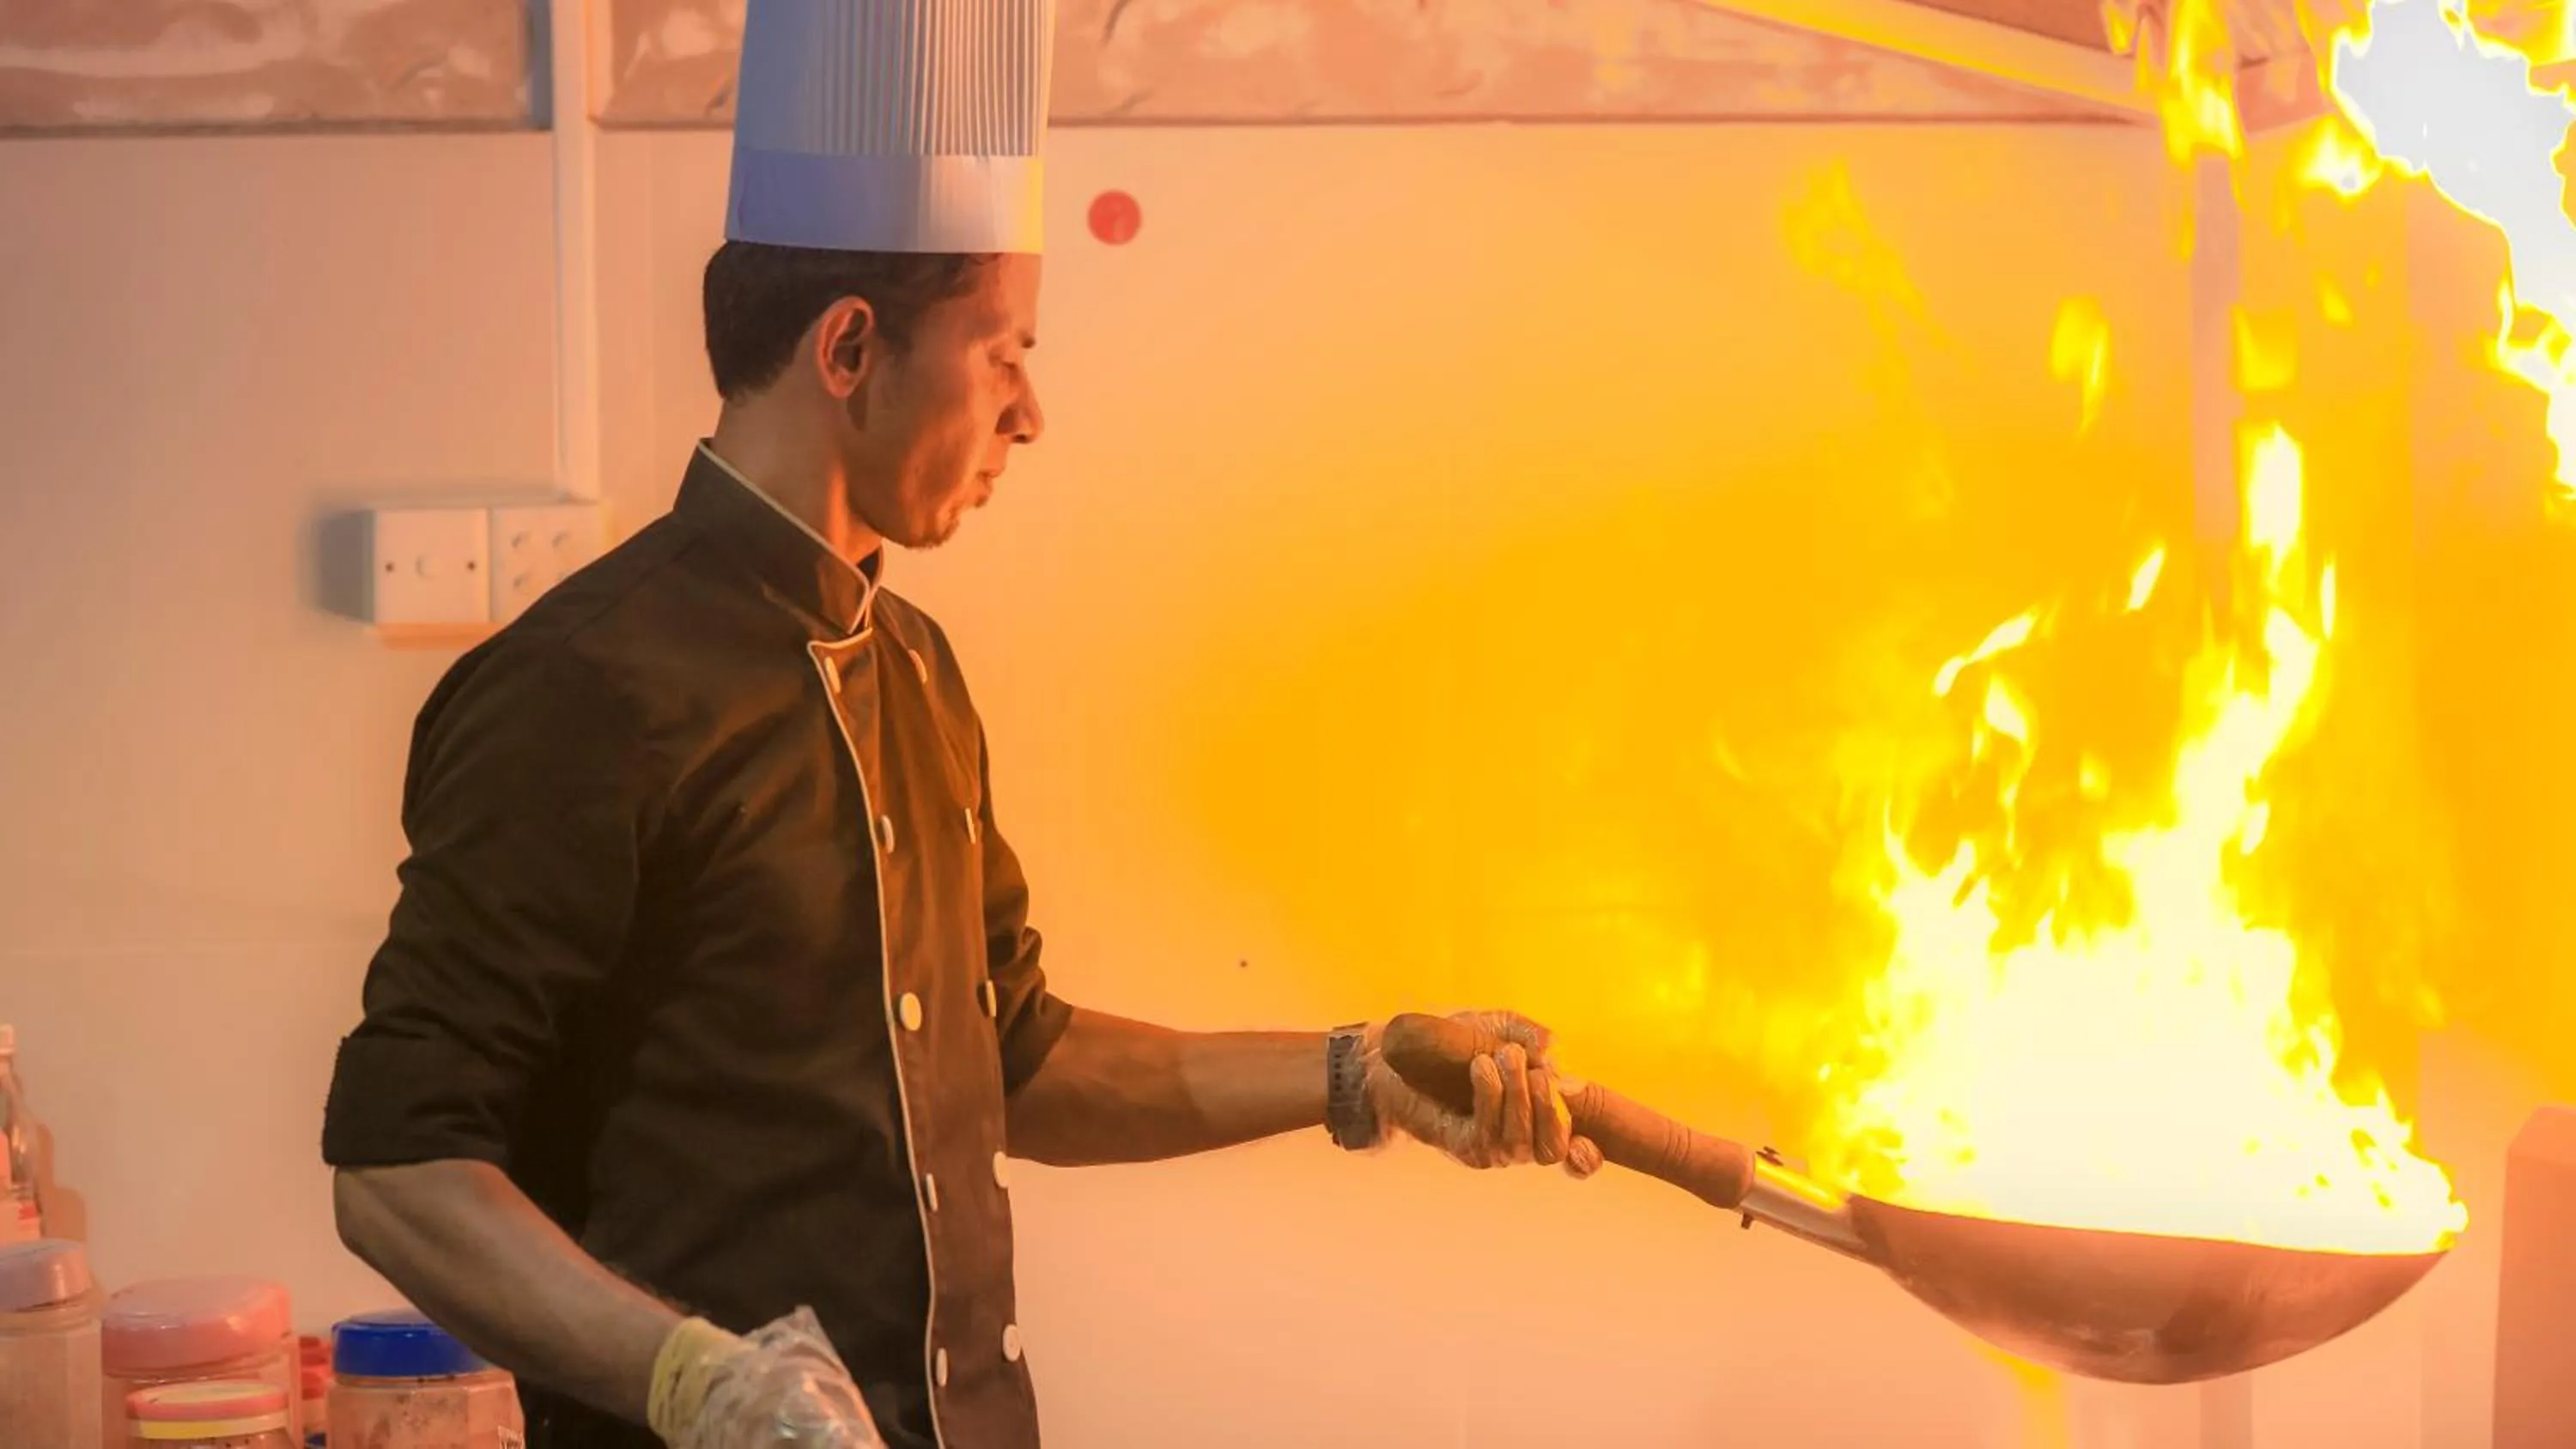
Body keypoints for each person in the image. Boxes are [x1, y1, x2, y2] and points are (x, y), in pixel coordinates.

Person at [317, 3, 1598, 1446]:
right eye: (1004, 354)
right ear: (853, 346)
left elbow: (1017, 1058)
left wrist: (1354, 1069)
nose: (1031, 413)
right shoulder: (585, 690)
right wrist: (697, 1383)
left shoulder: (914, 666)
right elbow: (400, 1167)